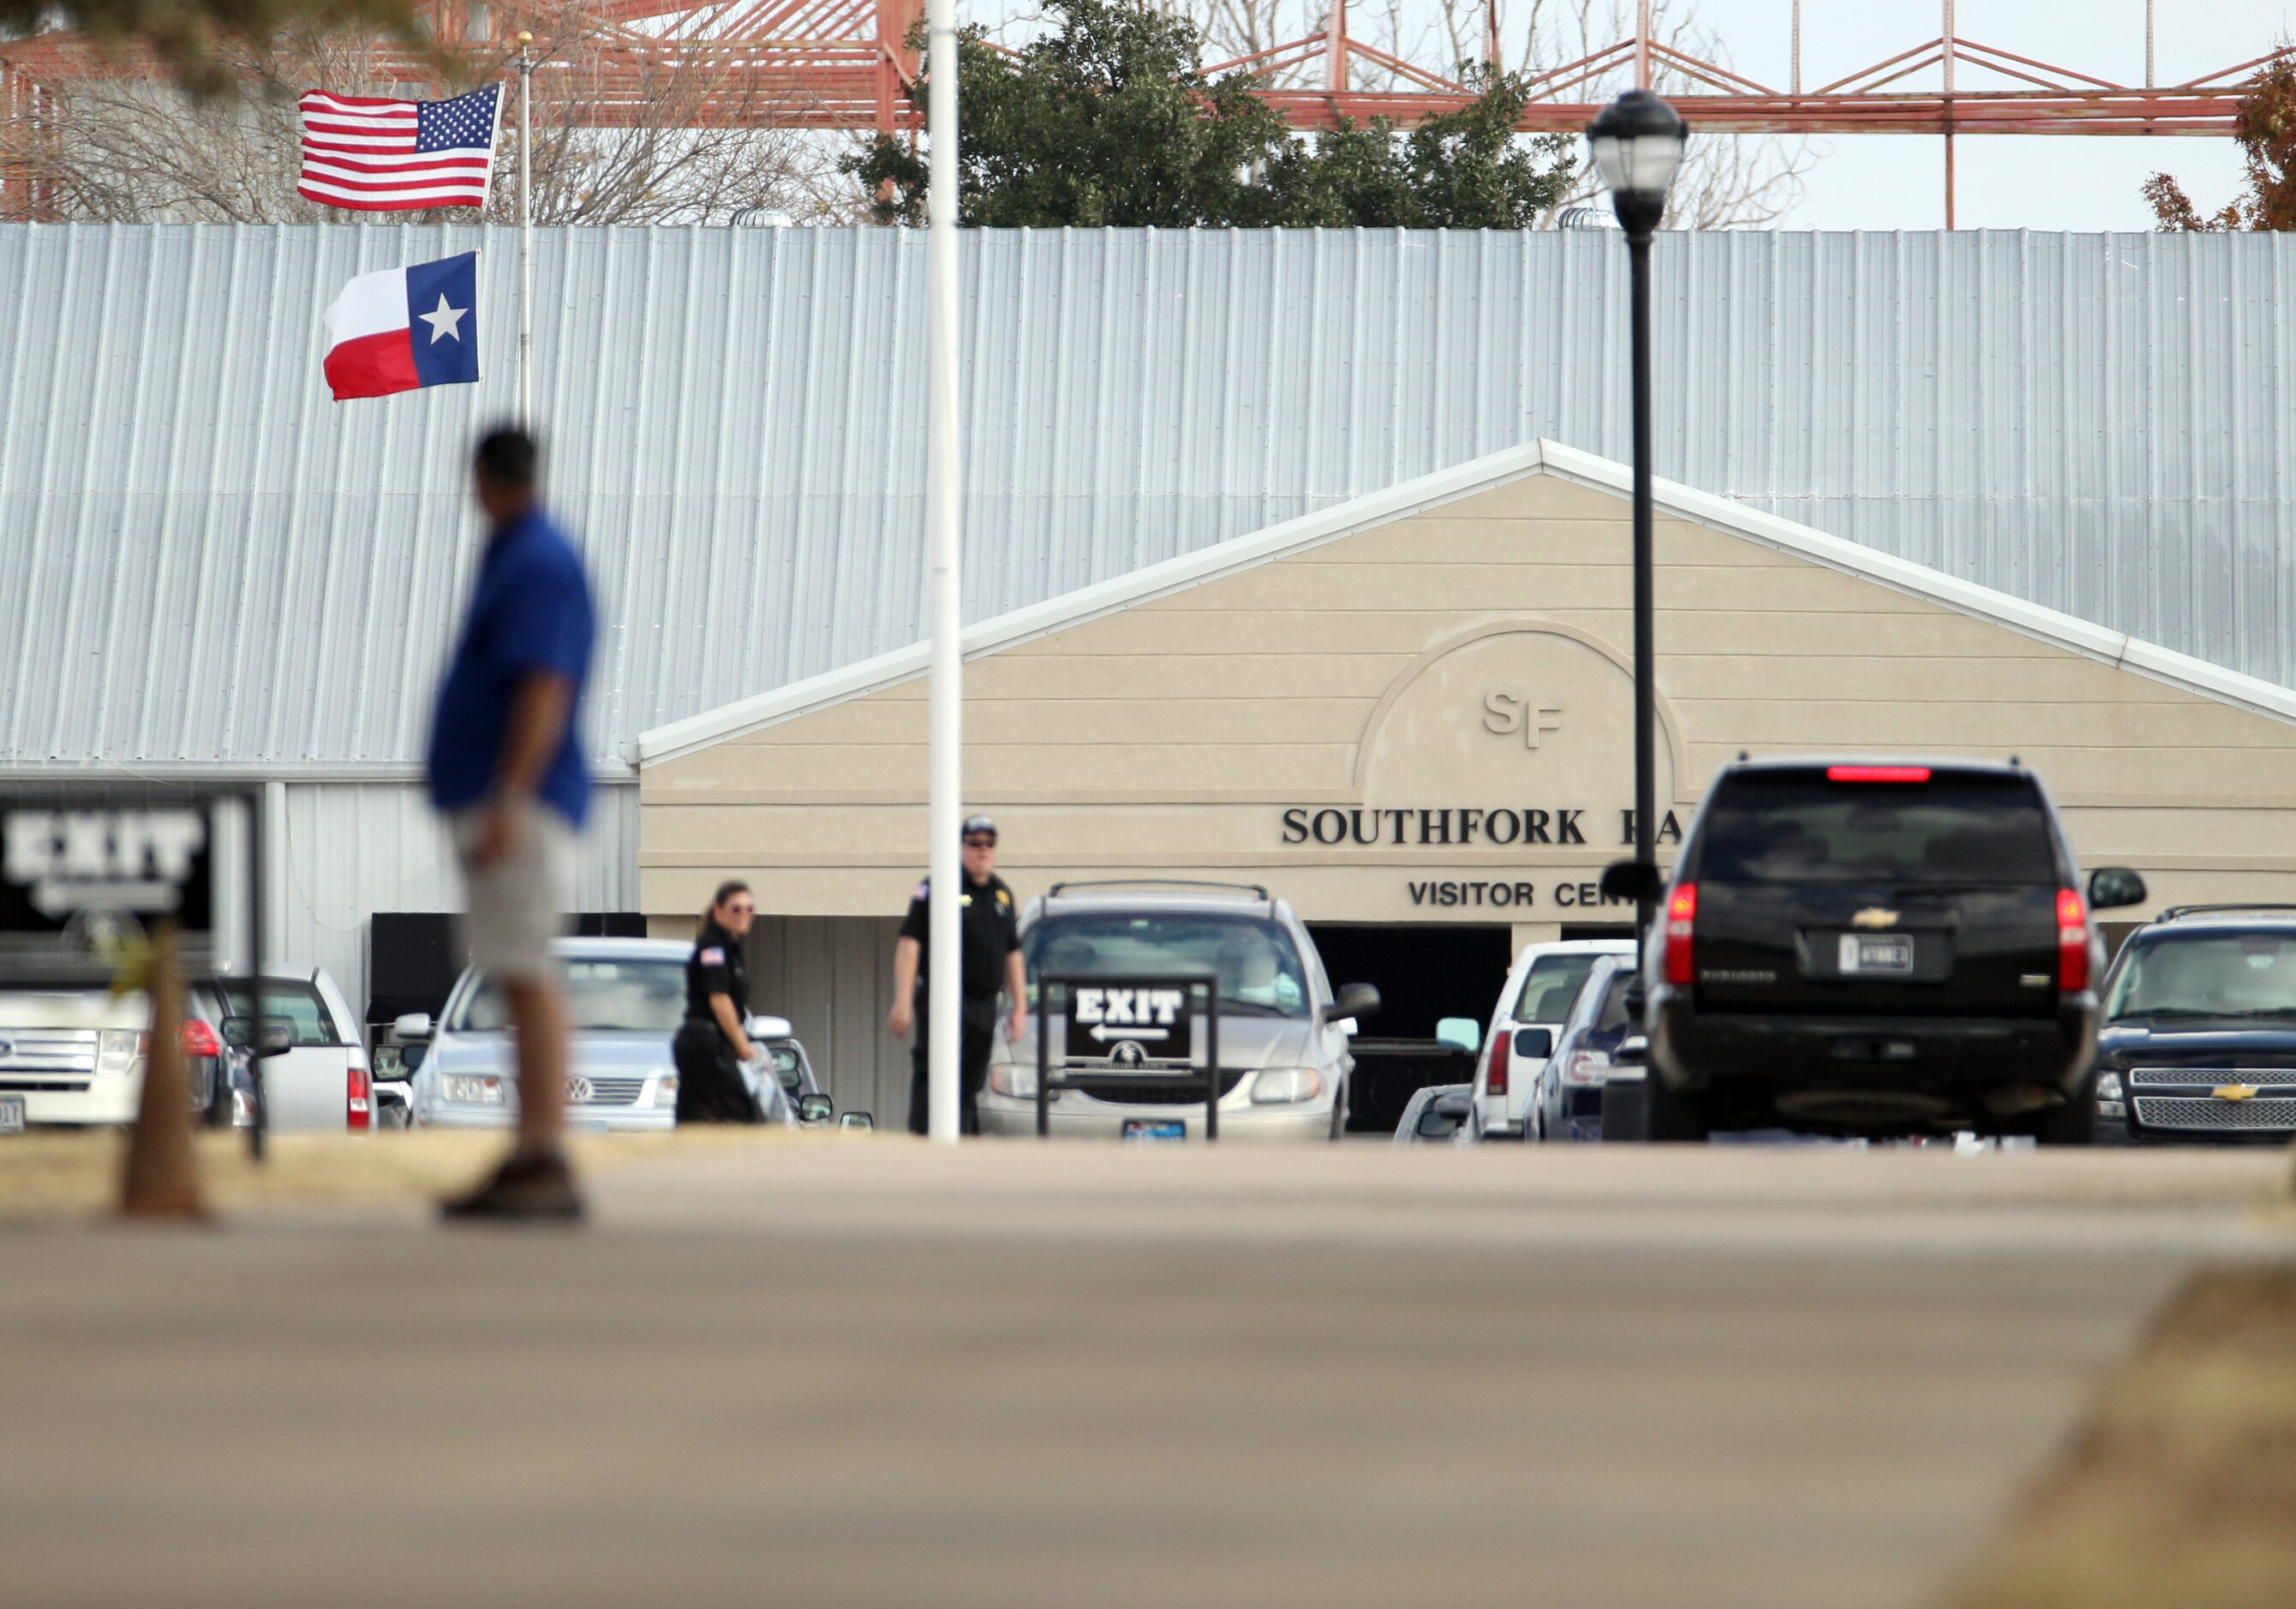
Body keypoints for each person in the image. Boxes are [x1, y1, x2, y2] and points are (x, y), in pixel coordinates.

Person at [430, 428, 596, 1222]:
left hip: (520, 802)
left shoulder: (537, 561)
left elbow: (543, 686)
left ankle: (544, 1153)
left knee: (527, 972)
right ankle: (530, 1150)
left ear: (484, 477)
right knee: (514, 968)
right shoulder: (517, 554)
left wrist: (507, 795)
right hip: (506, 796)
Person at [888, 814, 1025, 1135]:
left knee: (971, 1079)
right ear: (961, 847)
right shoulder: (937, 887)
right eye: (975, 843)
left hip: (985, 1003)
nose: (983, 850)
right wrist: (903, 1000)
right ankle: (924, 1136)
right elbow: (910, 943)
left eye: (989, 844)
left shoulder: (1001, 895)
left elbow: (1013, 953)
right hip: (944, 1000)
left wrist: (1019, 1008)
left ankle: (962, 1138)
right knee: (934, 1071)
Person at [674, 881, 765, 1124]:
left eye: (749, 909)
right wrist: (741, 1044)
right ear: (718, 910)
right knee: (745, 1115)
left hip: (706, 1043)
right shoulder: (713, 946)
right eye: (736, 909)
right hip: (704, 1043)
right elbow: (719, 998)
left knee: (692, 1120)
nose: (744, 915)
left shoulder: (730, 947)